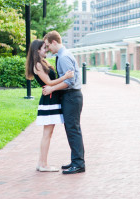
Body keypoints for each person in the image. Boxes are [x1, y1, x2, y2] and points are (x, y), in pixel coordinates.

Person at [25, 39, 74, 172]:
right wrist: (66, 77)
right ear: (37, 50)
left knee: (48, 133)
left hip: (51, 98)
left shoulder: (42, 63)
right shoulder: (37, 65)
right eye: (43, 48)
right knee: (47, 133)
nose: (45, 50)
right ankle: (43, 164)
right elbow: (49, 82)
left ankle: (41, 163)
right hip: (49, 100)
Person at [42, 31, 85, 174]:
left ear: (54, 42)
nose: (48, 49)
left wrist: (52, 88)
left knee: (73, 130)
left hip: (71, 96)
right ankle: (76, 161)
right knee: (72, 129)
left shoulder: (63, 57)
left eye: (48, 46)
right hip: (71, 97)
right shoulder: (62, 55)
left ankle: (78, 163)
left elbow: (69, 81)